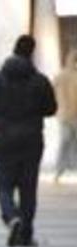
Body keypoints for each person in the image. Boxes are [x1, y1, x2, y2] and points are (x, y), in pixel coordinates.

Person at [0, 35, 57, 247]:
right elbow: (51, 109)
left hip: (2, 139)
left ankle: (12, 217)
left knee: (3, 185)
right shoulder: (40, 80)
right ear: (32, 52)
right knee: (28, 188)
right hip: (31, 140)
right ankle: (26, 234)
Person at [54, 49, 77, 183]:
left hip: (66, 114)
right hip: (66, 114)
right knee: (66, 141)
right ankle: (60, 170)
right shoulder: (61, 76)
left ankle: (60, 169)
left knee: (66, 141)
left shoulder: (60, 76)